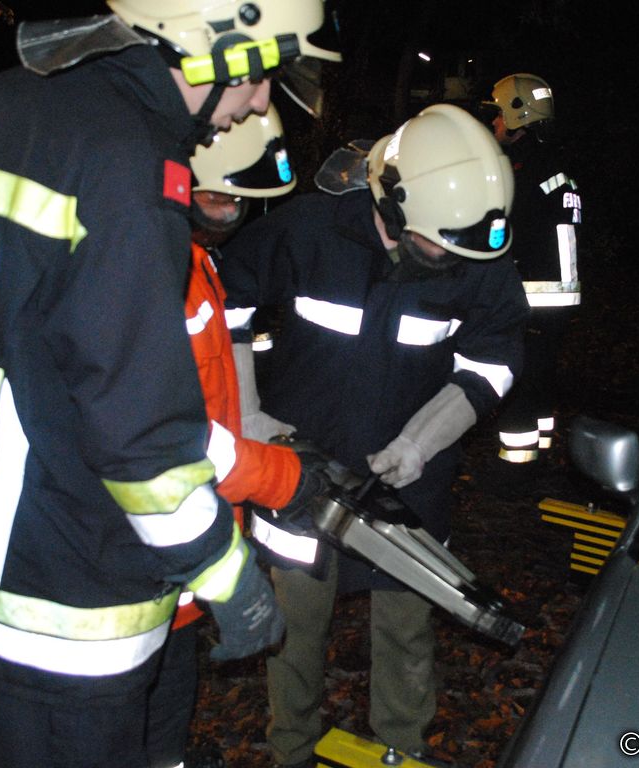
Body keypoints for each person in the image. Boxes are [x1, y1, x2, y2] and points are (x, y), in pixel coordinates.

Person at [0, 2, 339, 767]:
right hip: (59, 594)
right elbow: (139, 432)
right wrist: (228, 576)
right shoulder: (125, 171)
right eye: (258, 69)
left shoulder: (5, 102)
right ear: (203, 45)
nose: (261, 101)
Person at [218, 103, 529, 768]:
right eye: (432, 246)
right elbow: (222, 295)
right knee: (292, 634)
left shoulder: (473, 247)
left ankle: (403, 750)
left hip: (410, 486)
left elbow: (493, 358)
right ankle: (290, 752)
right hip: (295, 475)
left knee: (406, 632)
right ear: (390, 205)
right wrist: (244, 411)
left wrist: (421, 442)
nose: (446, 259)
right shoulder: (309, 229)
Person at [160, 104, 319, 768]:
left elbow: (214, 396)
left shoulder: (194, 263)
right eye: (215, 194)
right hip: (139, 556)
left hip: (178, 554)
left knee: (166, 694)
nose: (227, 210)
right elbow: (160, 434)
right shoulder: (154, 270)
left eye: (237, 199)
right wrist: (280, 476)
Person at [484, 74, 583, 477]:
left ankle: (515, 471)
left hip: (534, 297)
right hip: (561, 298)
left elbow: (502, 236)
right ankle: (540, 453)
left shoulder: (522, 174)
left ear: (517, 116)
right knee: (541, 379)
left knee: (521, 382)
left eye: (497, 116)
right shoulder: (555, 168)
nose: (493, 125)